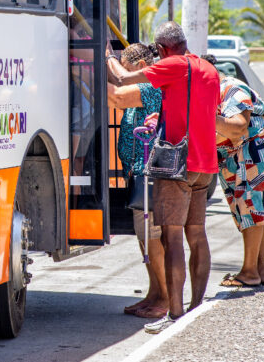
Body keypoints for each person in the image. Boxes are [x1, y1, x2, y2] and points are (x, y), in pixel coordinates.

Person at [107, 22, 220, 334]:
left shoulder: (173, 64)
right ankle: (197, 307)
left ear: (164, 49)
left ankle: (174, 313)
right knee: (196, 235)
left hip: (177, 165)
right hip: (205, 165)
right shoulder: (207, 69)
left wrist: (104, 55)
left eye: (158, 51)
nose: (157, 56)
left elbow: (121, 79)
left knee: (171, 239)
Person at [213, 63, 264, 287]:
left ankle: (249, 272)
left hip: (253, 153)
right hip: (250, 154)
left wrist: (202, 115)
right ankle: (262, 269)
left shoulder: (230, 88)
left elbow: (238, 126)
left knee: (251, 210)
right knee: (254, 212)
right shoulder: (222, 89)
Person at [106, 43, 167, 319]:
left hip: (149, 175)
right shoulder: (144, 84)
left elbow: (117, 96)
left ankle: (163, 297)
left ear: (141, 67)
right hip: (137, 173)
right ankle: (154, 294)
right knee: (145, 238)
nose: (127, 77)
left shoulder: (150, 85)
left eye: (129, 72)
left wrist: (101, 62)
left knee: (152, 238)